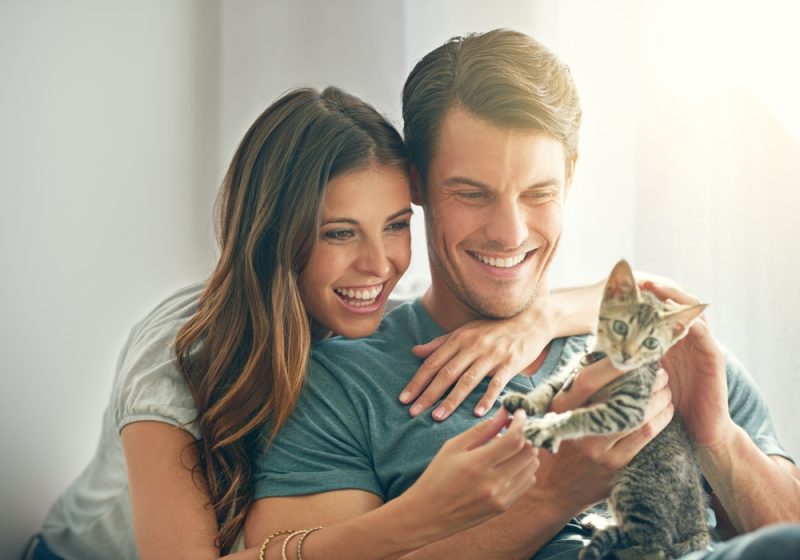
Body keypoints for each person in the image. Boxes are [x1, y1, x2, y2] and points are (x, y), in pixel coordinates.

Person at [246, 29, 800, 559]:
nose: (510, 234)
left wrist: (721, 441)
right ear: (416, 182)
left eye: (539, 193)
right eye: (472, 194)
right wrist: (551, 495)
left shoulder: (656, 342)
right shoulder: (339, 387)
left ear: (572, 176)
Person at [25, 85, 602, 560]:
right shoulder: (179, 355)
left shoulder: (377, 318)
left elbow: (652, 297)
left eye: (396, 225)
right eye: (339, 232)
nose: (380, 266)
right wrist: (422, 514)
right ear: (276, 234)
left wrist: (540, 318)